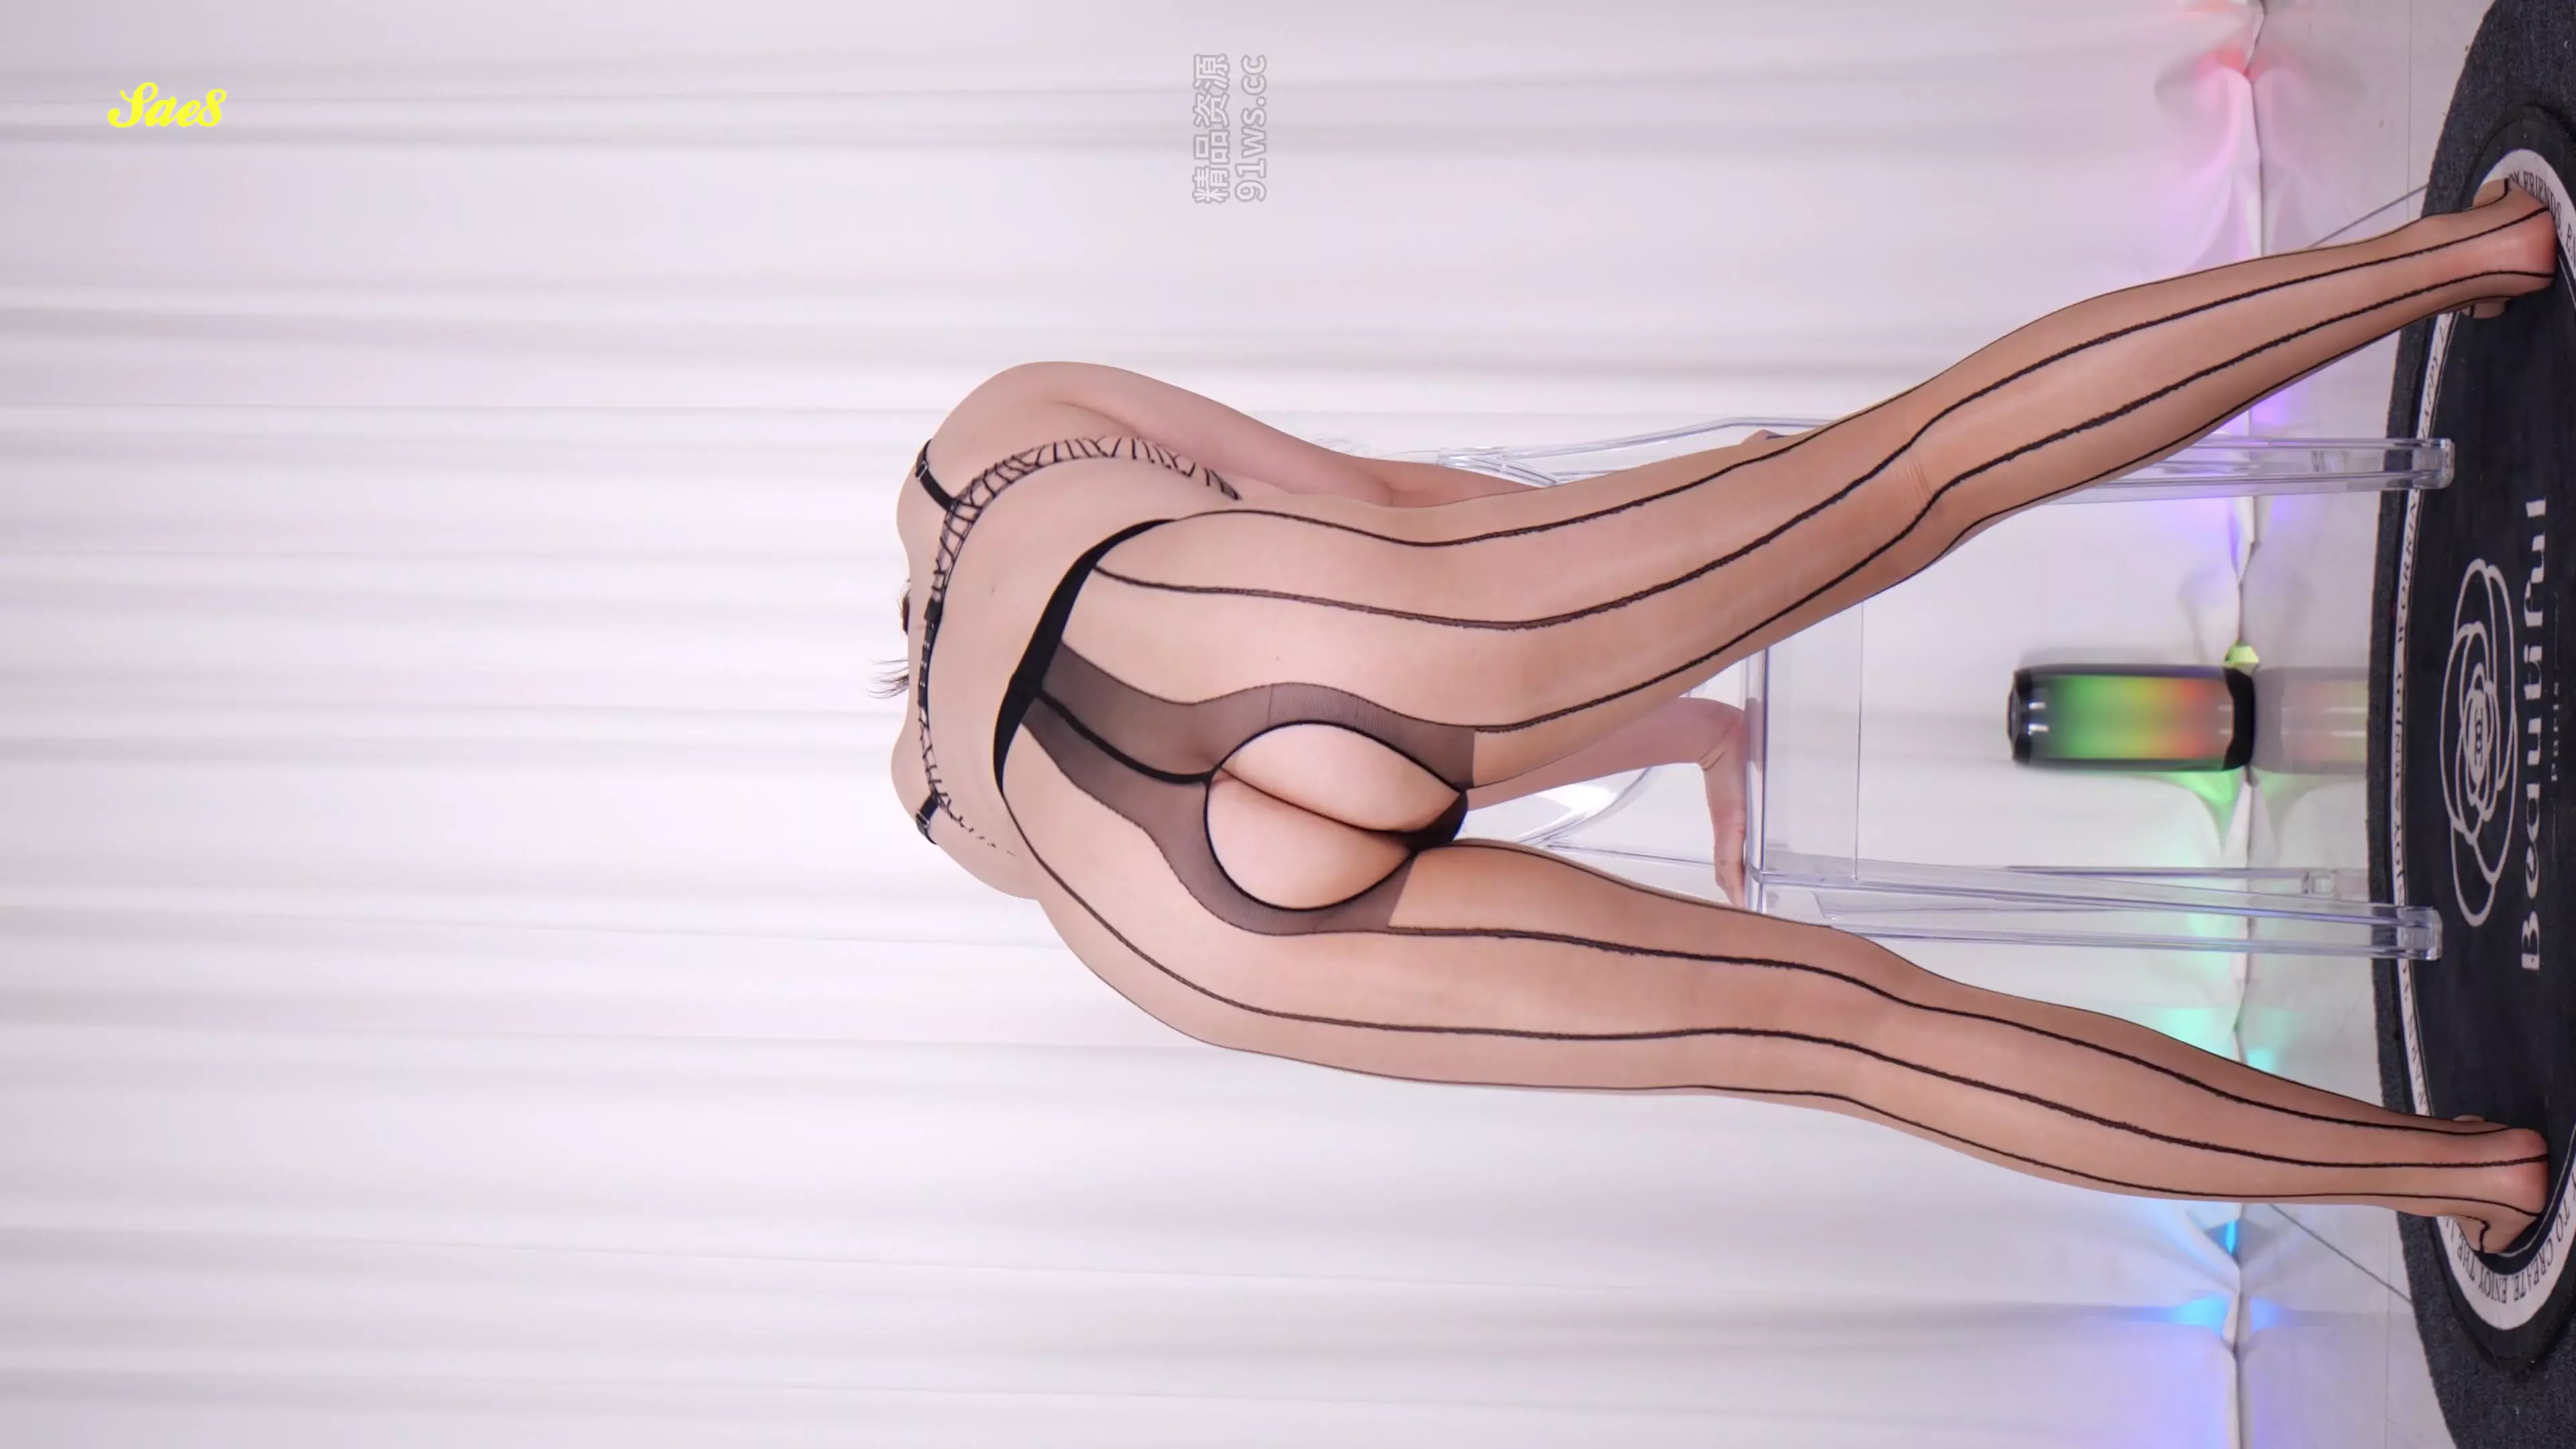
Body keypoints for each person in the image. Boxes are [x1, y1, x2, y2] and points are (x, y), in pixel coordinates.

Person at [885, 180, 2561, 1252]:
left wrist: (1688, 724)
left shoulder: (939, 804)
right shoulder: (977, 447)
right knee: (1912, 466)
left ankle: (2467, 1181)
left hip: (1186, 930)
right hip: (1252, 620)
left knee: (1852, 1045)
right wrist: (1717, 529)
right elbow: (1369, 514)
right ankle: (2478, 251)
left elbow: (1383, 776)